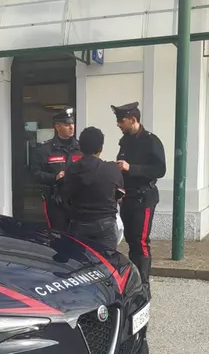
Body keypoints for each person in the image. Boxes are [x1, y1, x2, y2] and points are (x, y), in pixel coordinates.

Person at [111, 101, 167, 295]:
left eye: (121, 121)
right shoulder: (125, 141)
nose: (118, 124)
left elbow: (160, 170)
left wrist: (131, 168)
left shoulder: (151, 141)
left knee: (140, 241)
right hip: (127, 198)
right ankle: (134, 280)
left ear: (133, 120)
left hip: (144, 198)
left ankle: (144, 286)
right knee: (130, 239)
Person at [61, 126, 124, 250]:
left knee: (79, 262)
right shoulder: (112, 169)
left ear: (81, 147)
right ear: (101, 147)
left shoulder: (72, 169)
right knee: (107, 262)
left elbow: (66, 194)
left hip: (79, 223)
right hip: (105, 223)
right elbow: (119, 195)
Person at [29, 107, 81, 232]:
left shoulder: (81, 148)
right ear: (57, 127)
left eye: (72, 123)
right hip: (56, 201)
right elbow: (34, 174)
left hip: (79, 201)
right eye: (67, 124)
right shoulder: (44, 150)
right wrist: (55, 177)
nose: (71, 127)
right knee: (59, 236)